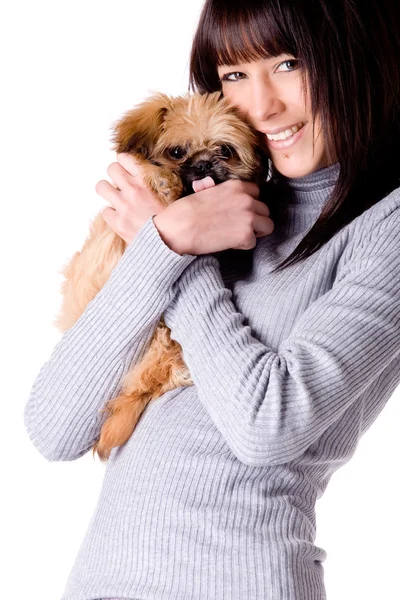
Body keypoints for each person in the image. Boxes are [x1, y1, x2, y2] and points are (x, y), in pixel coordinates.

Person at [24, 0, 400, 599]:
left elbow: (266, 426)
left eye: (288, 63)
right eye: (233, 74)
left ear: (357, 57)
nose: (261, 105)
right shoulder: (209, 209)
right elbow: (54, 428)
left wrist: (181, 258)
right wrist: (166, 241)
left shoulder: (387, 225)